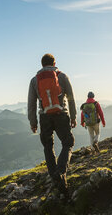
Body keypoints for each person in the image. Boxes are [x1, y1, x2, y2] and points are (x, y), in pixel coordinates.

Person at [27, 53, 77, 195]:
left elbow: (31, 103)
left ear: (42, 64)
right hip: (62, 114)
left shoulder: (34, 80)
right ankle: (60, 172)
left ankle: (55, 177)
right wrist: (73, 116)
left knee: (48, 146)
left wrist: (33, 122)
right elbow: (71, 98)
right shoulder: (62, 76)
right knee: (68, 142)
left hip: (44, 117)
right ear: (54, 63)